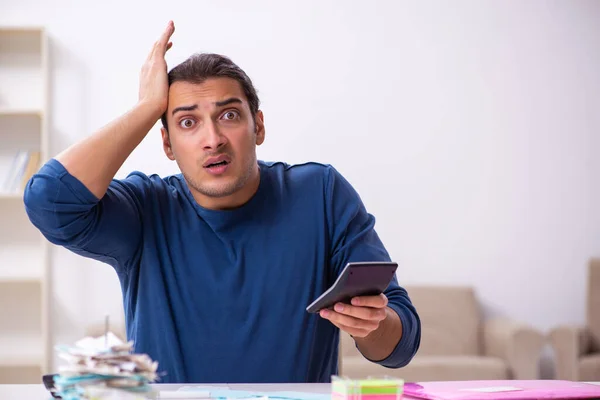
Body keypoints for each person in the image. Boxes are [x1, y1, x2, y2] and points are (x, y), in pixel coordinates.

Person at [23, 21, 421, 384]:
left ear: (258, 126)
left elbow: (400, 344)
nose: (212, 138)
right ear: (166, 144)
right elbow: (49, 201)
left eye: (229, 115)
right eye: (187, 122)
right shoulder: (144, 209)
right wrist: (146, 108)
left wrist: (373, 323)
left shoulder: (322, 193)